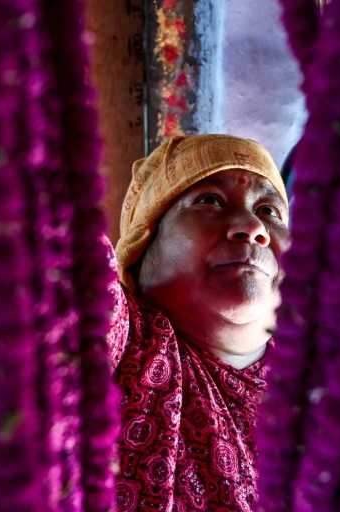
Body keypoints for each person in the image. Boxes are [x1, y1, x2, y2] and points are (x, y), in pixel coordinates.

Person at [104, 134, 290, 511]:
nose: (251, 227)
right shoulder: (126, 342)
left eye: (269, 210)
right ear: (143, 248)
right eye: (209, 201)